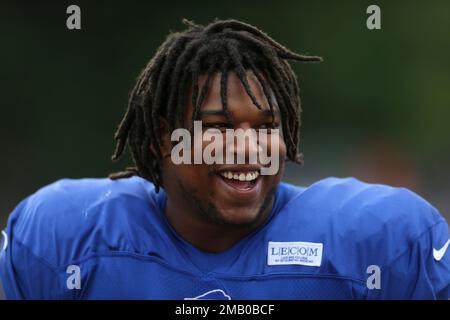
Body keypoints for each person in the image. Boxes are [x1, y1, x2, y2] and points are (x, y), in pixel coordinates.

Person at [0, 18, 449, 300]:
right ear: (164, 139)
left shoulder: (383, 241)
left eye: (267, 126)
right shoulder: (64, 240)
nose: (248, 147)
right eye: (218, 127)